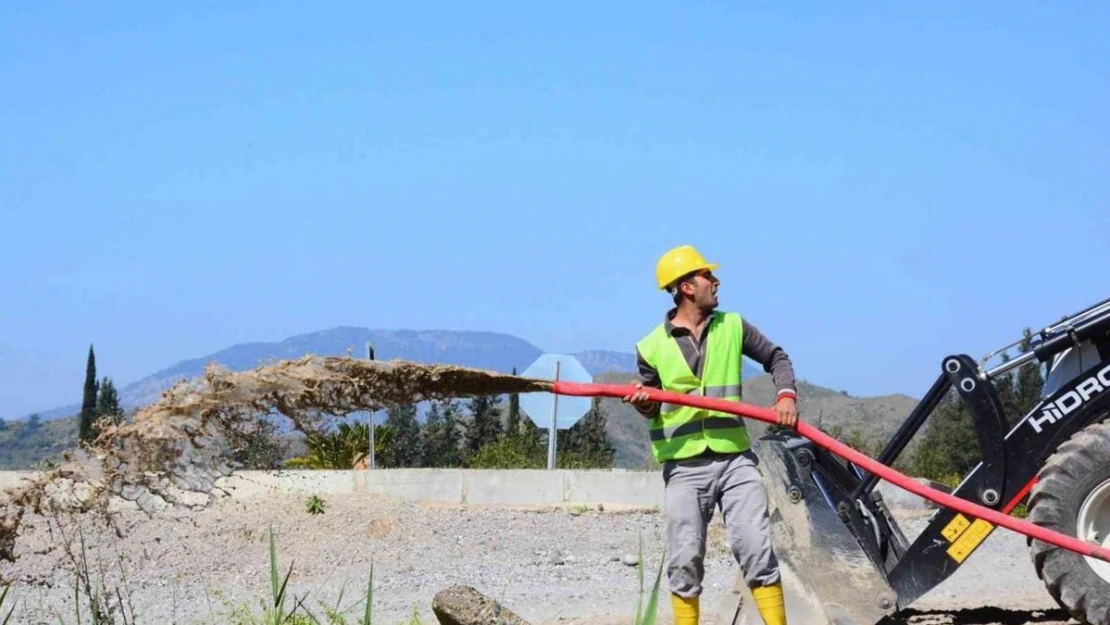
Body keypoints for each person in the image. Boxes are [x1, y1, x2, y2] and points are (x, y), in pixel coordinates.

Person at [622, 244, 798, 625]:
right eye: (707, 276)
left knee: (756, 548)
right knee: (684, 560)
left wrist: (785, 395)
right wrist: (643, 403)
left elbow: (777, 358)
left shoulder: (733, 326)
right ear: (687, 287)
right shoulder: (650, 346)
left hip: (736, 460)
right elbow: (652, 406)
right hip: (684, 467)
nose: (715, 282)